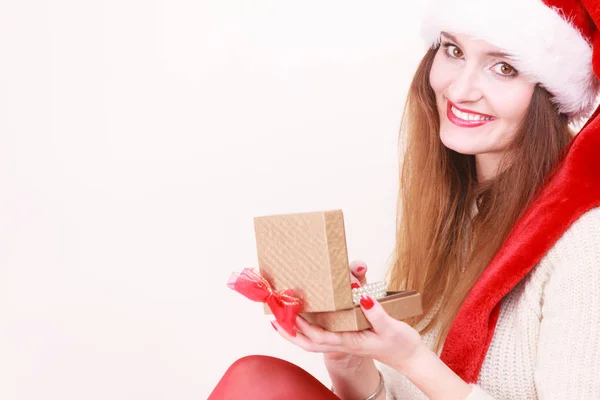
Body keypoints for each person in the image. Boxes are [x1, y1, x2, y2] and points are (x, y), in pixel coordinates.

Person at [209, 0, 600, 398]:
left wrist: (413, 359)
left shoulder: (585, 240)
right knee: (256, 379)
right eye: (454, 50)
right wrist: (349, 356)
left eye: (504, 68)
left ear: (553, 92)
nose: (461, 89)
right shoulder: (458, 209)